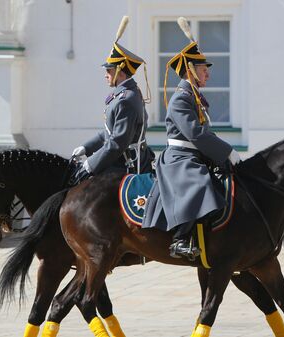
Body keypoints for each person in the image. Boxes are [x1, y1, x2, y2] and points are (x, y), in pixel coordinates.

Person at [152, 17, 241, 259]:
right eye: (204, 70)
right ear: (191, 70)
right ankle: (180, 239)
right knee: (199, 183)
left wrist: (223, 156)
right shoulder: (181, 98)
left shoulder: (194, 97)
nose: (208, 76)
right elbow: (196, 133)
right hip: (179, 157)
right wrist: (226, 151)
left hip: (193, 154)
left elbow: (205, 134)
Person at [71, 16, 154, 184]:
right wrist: (87, 148)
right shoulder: (125, 94)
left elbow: (118, 142)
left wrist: (90, 165)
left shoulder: (126, 99)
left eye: (109, 71)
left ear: (120, 73)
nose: (106, 75)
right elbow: (109, 132)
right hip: (120, 158)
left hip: (126, 164)